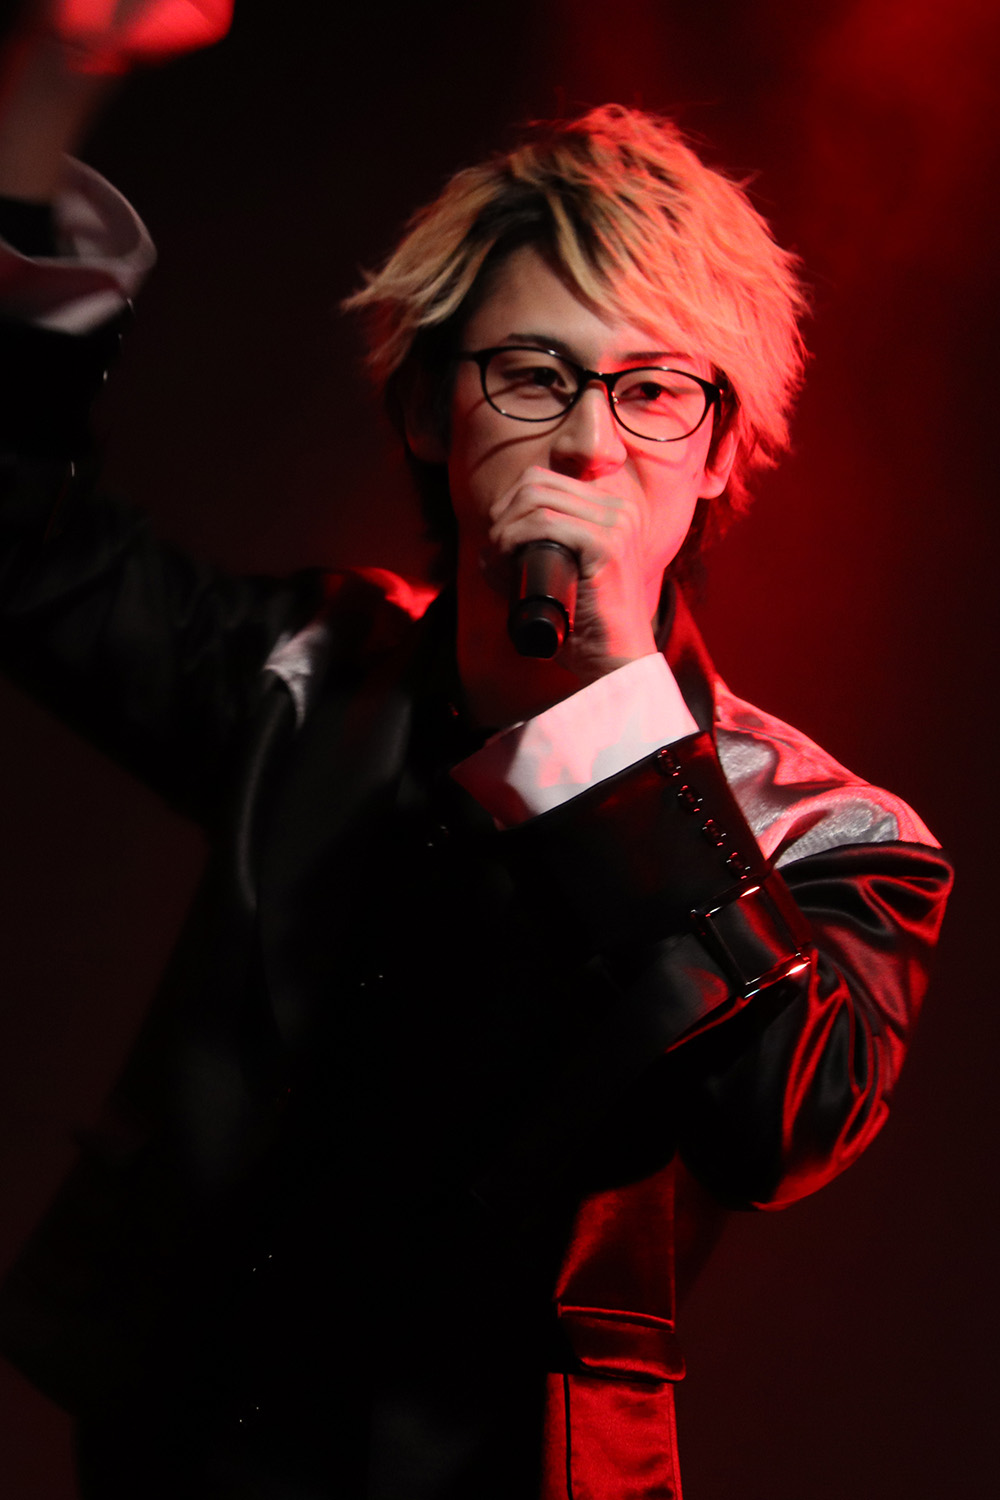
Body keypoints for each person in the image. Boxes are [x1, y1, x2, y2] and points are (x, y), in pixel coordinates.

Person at [0, 6, 952, 1498]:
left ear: (717, 452)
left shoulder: (832, 834)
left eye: (655, 390)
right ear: (431, 411)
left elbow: (788, 1119)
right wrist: (55, 77)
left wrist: (605, 705)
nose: (591, 442)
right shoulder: (305, 674)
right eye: (534, 374)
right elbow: (19, 541)